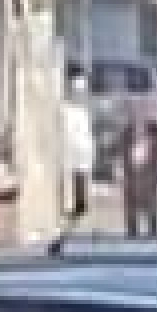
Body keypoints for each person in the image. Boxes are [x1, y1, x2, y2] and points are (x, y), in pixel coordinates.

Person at [116, 98, 157, 241]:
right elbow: (121, 156)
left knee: (152, 206)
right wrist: (119, 173)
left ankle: (154, 232)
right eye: (135, 113)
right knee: (131, 206)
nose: (139, 115)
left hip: (150, 174)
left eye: (143, 111)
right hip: (132, 174)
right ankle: (132, 233)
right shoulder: (126, 134)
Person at [62, 72, 95, 229]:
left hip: (81, 147)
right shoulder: (68, 110)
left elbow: (86, 132)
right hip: (73, 147)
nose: (79, 95)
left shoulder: (81, 111)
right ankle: (74, 205)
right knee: (73, 176)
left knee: (81, 176)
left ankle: (81, 205)